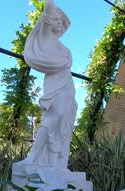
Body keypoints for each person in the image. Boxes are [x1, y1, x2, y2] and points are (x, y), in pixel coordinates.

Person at [13, 0, 77, 174]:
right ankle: (33, 157)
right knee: (55, 116)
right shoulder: (46, 38)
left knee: (64, 120)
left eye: (60, 20)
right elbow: (48, 9)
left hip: (67, 85)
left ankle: (57, 165)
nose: (57, 22)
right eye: (55, 19)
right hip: (54, 83)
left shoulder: (64, 48)